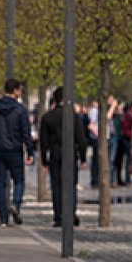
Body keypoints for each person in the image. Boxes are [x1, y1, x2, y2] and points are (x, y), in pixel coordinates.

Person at [0, 79, 34, 227]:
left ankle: (3, 218)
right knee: (19, 180)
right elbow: (26, 132)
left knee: (1, 184)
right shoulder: (20, 109)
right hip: (15, 149)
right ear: (16, 90)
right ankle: (16, 204)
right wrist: (29, 151)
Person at [39, 87, 87, 227]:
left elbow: (43, 141)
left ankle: (58, 216)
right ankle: (70, 214)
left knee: (56, 186)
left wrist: (44, 159)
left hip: (55, 154)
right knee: (70, 185)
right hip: (70, 154)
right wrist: (83, 157)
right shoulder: (73, 116)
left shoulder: (48, 117)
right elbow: (81, 138)